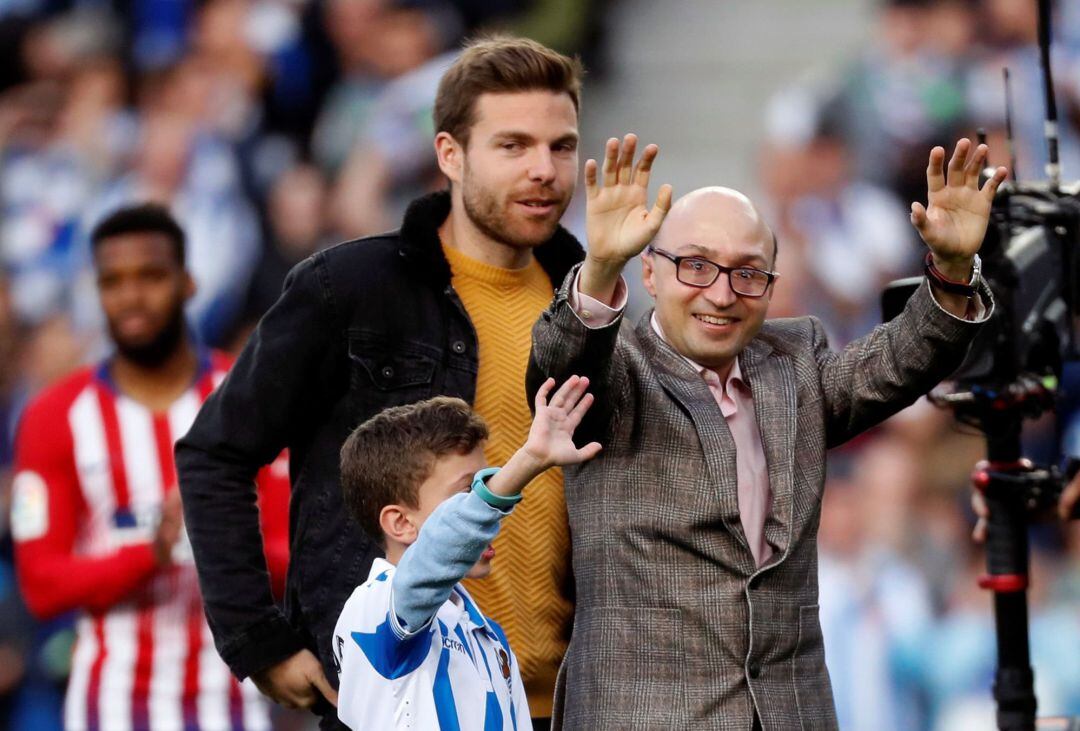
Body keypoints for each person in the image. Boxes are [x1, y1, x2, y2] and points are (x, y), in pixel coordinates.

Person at [527, 134, 1007, 729]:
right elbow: (560, 365)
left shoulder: (793, 366)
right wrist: (598, 269)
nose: (722, 294)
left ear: (771, 286)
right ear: (649, 271)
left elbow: (902, 359)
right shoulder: (613, 371)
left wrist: (955, 270)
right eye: (696, 266)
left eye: (748, 273)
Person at [176, 36, 586, 729]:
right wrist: (258, 639)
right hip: (399, 701)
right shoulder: (349, 288)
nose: (543, 170)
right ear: (449, 154)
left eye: (562, 146)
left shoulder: (587, 309)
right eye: (513, 146)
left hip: (567, 701)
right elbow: (215, 451)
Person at [9, 204, 288, 731]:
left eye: (151, 276)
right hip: (108, 707)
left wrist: (220, 538)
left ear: (187, 283)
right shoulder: (53, 416)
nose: (131, 297)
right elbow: (41, 585)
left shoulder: (250, 399)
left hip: (232, 704)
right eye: (113, 281)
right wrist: (151, 554)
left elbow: (297, 557)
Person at [333, 375, 600, 730]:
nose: (487, 511)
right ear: (400, 523)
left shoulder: (486, 634)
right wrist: (528, 461)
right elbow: (434, 556)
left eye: (485, 485)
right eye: (467, 493)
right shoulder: (376, 606)